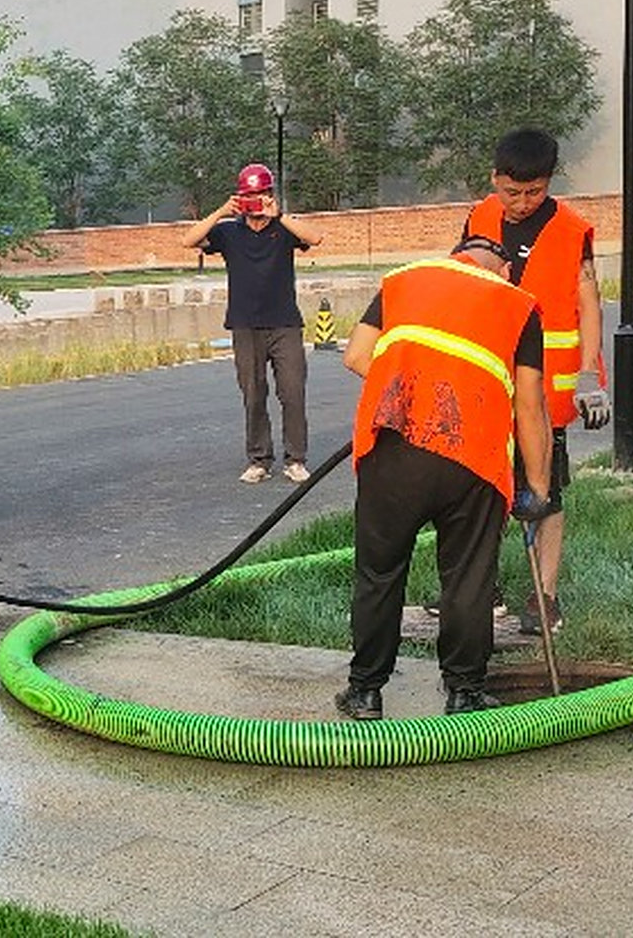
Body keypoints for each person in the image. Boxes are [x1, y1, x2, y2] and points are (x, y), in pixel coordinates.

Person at [334, 236, 554, 719]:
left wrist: (418, 391)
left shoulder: (402, 281)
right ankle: (464, 692)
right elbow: (530, 403)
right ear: (502, 270)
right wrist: (536, 487)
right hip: (473, 458)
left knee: (379, 572)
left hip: (393, 450)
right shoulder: (517, 304)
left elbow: (355, 357)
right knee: (468, 580)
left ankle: (366, 691)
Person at [460, 128, 607, 635]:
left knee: (546, 495)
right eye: (512, 192)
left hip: (545, 390)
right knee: (482, 491)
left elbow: (589, 301)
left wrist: (590, 374)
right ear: (494, 180)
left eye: (534, 192)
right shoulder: (478, 218)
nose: (522, 203)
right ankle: (486, 589)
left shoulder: (571, 229)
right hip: (488, 377)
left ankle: (544, 596)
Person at [182, 162, 324, 483]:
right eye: (249, 197)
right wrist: (222, 211)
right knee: (253, 393)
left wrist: (279, 215)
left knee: (292, 392)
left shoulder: (283, 229)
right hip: (245, 325)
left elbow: (316, 238)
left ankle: (295, 459)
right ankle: (259, 459)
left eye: (260, 196)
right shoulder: (230, 232)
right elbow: (188, 241)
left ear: (270, 195)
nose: (254, 203)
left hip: (284, 323)